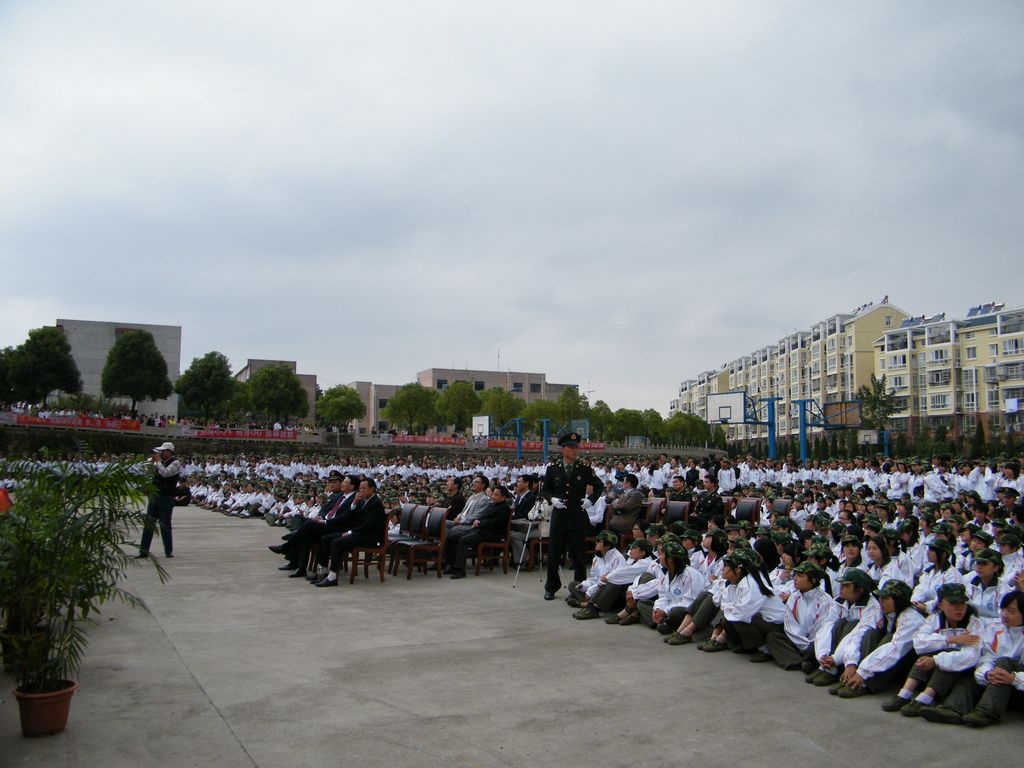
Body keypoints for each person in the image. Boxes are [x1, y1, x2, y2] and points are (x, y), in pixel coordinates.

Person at [541, 432, 601, 601]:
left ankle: (580, 587)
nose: (575, 450)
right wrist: (552, 499)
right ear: (563, 449)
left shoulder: (584, 469)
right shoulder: (553, 469)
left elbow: (599, 486)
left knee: (578, 555)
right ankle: (551, 587)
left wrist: (590, 501)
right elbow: (545, 489)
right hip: (559, 516)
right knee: (554, 553)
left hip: (576, 515)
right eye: (571, 447)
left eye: (576, 447)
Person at [313, 479, 386, 587]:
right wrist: (354, 503)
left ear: (372, 489)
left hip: (368, 537)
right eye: (360, 488)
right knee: (326, 539)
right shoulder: (361, 501)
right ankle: (322, 572)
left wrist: (350, 532)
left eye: (364, 488)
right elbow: (350, 517)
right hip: (358, 533)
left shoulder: (376, 503)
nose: (361, 491)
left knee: (337, 543)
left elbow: (368, 525)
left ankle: (332, 577)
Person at [444, 484, 512, 579]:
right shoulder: (492, 504)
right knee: (452, 537)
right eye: (493, 494)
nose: (493, 496)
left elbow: (495, 523)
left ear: (503, 497)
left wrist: (480, 523)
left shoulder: (504, 508)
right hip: (480, 530)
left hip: (491, 534)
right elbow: (482, 515)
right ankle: (450, 564)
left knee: (464, 540)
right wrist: (477, 520)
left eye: (496, 495)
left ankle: (460, 570)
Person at [138, 441, 181, 559]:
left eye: (162, 451)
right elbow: (147, 473)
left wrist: (157, 462)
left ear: (168, 452)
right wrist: (151, 463)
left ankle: (168, 550)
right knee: (149, 524)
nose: (160, 454)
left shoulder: (175, 462)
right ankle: (143, 550)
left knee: (165, 524)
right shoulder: (159, 462)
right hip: (155, 495)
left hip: (166, 497)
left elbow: (166, 474)